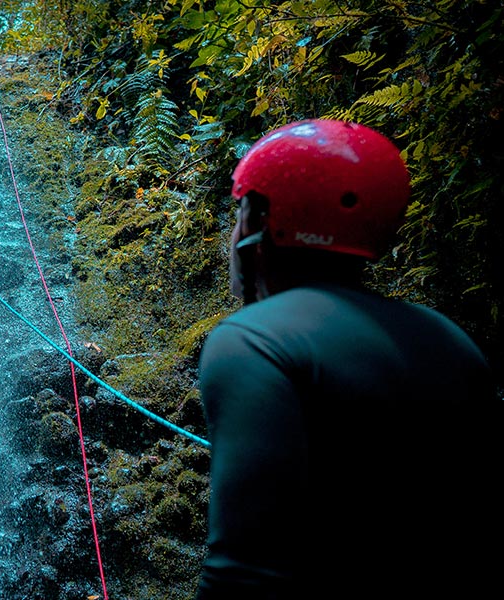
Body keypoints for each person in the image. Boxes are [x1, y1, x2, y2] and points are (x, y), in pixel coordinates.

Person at [195, 119, 501, 598]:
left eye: (239, 215)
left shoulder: (254, 342)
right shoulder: (450, 340)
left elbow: (242, 573)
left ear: (260, 227)